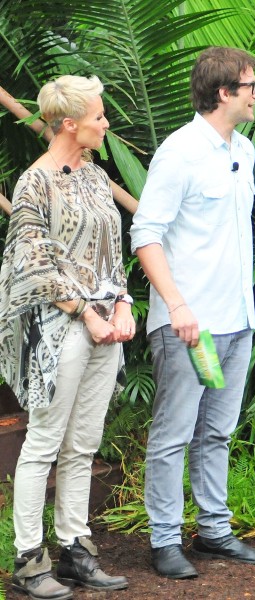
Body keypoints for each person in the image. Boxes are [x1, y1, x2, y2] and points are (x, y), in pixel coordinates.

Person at [130, 46, 255, 580]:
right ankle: (164, 540)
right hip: (192, 327)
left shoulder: (245, 149)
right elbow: (146, 234)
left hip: (236, 322)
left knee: (217, 432)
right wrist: (177, 306)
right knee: (173, 435)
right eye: (250, 85)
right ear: (223, 93)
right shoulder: (180, 152)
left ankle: (214, 530)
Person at [0, 74, 133, 599]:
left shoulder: (96, 178)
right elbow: (31, 262)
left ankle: (76, 548)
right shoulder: (36, 182)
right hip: (61, 328)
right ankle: (29, 559)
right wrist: (85, 311)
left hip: (105, 320)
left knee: (84, 442)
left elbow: (112, 253)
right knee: (44, 443)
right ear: (71, 124)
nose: (106, 124)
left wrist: (121, 302)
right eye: (100, 117)